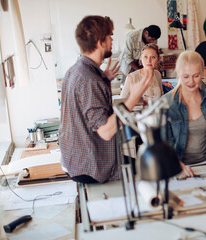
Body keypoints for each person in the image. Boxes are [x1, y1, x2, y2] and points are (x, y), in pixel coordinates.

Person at [59, 16, 153, 184]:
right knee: (152, 167)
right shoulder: (90, 80)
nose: (112, 40)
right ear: (99, 42)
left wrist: (104, 79)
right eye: (110, 36)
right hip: (90, 166)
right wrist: (133, 97)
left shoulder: (76, 70)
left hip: (75, 159)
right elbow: (105, 131)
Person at [164, 51, 206, 177]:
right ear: (178, 74)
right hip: (177, 166)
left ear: (202, 73)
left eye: (196, 76)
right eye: (186, 77)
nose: (191, 81)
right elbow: (164, 144)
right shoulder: (166, 103)